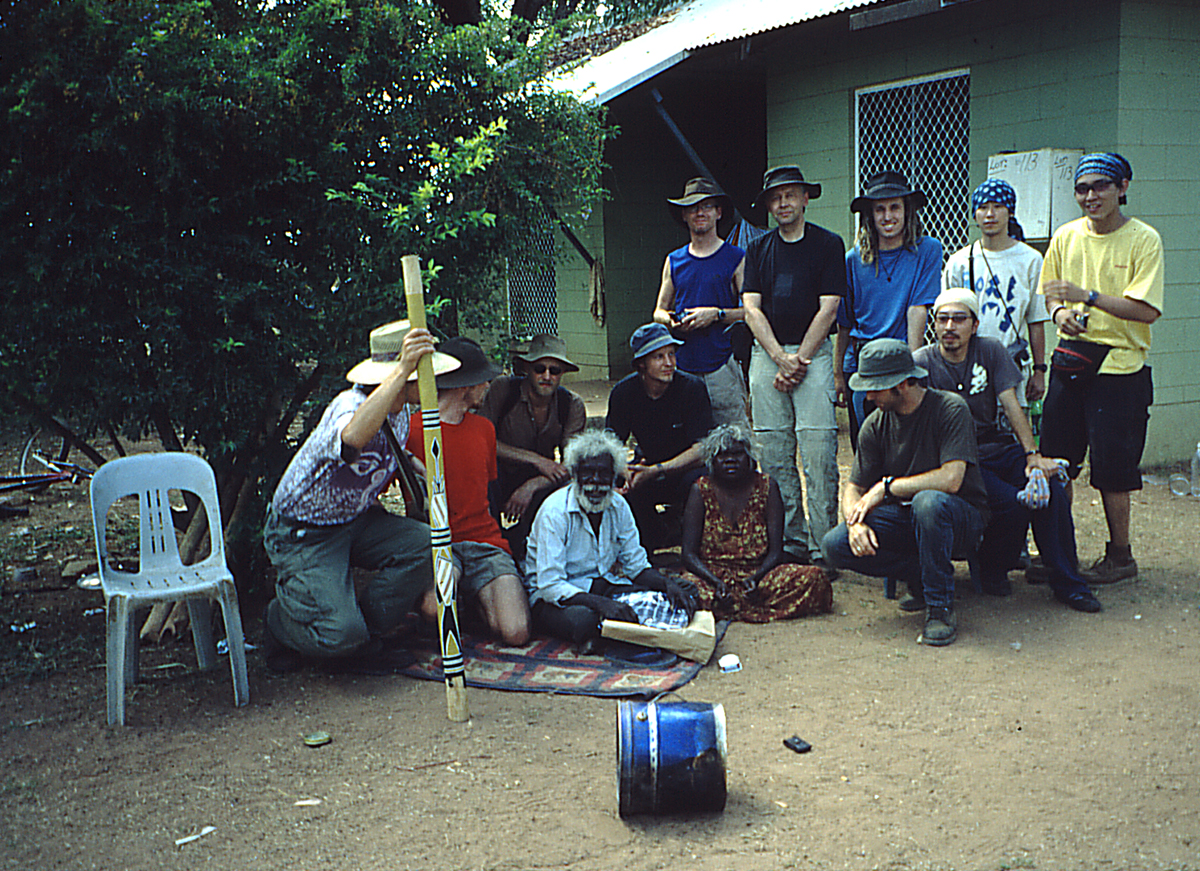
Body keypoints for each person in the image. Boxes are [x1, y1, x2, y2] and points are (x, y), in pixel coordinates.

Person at [261, 320, 460, 673]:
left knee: (427, 545)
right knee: (339, 635)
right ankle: (281, 622)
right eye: (423, 373)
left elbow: (384, 445)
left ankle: (365, 638)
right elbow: (352, 439)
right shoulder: (348, 404)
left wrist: (412, 463)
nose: (433, 381)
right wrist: (402, 369)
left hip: (355, 519)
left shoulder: (401, 410)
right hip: (304, 532)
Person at [913, 289, 1102, 613]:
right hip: (958, 458)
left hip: (997, 446)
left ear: (974, 325)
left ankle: (1069, 583)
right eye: (942, 319)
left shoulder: (990, 350)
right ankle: (993, 568)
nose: (949, 327)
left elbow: (1011, 403)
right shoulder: (922, 362)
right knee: (1013, 501)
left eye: (958, 319)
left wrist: (1032, 455)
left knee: (1050, 488)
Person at [1039, 152, 1163, 585]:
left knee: (1113, 468)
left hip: (1121, 365)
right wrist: (1059, 313)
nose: (1090, 196)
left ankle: (1120, 556)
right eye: (1082, 189)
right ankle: (1058, 553)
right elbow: (1051, 293)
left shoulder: (1144, 239)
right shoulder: (1066, 236)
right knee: (1056, 462)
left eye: (1100, 186)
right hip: (1071, 357)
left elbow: (1147, 311)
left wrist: (1087, 296)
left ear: (1122, 187)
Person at [822, 339, 989, 647]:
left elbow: (952, 479)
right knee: (835, 545)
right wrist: (855, 523)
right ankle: (922, 575)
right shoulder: (875, 424)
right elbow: (854, 487)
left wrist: (887, 487)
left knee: (928, 502)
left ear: (901, 384)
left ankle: (939, 609)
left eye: (875, 388)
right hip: (908, 517)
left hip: (959, 516)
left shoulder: (950, 408)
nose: (868, 396)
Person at [741, 165, 846, 565]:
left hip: (813, 356)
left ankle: (825, 547)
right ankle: (790, 542)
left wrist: (799, 360)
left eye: (790, 195)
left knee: (818, 453)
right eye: (775, 197)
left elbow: (829, 307)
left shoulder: (828, 244)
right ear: (769, 205)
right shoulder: (758, 249)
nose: (783, 203)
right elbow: (751, 308)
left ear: (805, 198)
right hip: (768, 356)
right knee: (774, 453)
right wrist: (779, 358)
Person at [523, 429, 697, 654]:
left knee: (684, 590)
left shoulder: (619, 506)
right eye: (588, 472)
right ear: (575, 474)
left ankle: (610, 633)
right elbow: (550, 586)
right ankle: (607, 631)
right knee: (584, 620)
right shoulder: (555, 512)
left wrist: (667, 584)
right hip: (558, 598)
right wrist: (602, 604)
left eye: (603, 473)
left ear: (614, 476)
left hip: (603, 586)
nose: (596, 481)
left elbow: (636, 567)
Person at [405, 336, 532, 647]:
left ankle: (475, 599)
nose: (487, 386)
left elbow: (485, 491)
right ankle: (457, 597)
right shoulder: (411, 431)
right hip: (436, 543)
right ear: (466, 386)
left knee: (515, 632)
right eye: (483, 380)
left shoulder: (484, 429)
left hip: (484, 541)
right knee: (434, 610)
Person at [679, 424, 833, 622]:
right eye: (722, 455)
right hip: (711, 576)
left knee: (814, 578)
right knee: (685, 587)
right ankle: (746, 606)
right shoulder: (700, 490)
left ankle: (727, 607)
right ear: (712, 461)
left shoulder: (767, 486)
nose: (730, 460)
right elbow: (689, 554)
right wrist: (716, 583)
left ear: (750, 458)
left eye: (737, 454)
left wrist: (756, 578)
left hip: (758, 575)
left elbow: (776, 552)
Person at [835, 171, 943, 448]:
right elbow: (845, 323)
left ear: (907, 211)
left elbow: (917, 309)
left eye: (895, 207)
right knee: (867, 446)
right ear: (870, 215)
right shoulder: (853, 259)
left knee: (907, 445)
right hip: (864, 363)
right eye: (879, 209)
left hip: (902, 360)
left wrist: (912, 366)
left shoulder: (927, 250)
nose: (888, 216)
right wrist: (838, 374)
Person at [476, 334, 587, 560]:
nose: (547, 376)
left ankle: (542, 551)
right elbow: (481, 441)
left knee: (571, 491)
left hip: (541, 479)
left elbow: (572, 463)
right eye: (539, 369)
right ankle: (491, 550)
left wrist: (532, 485)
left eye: (554, 370)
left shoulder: (571, 404)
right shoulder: (503, 390)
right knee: (480, 479)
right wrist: (535, 459)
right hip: (499, 473)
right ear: (527, 369)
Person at [605, 323, 715, 550]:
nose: (669, 363)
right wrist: (625, 471)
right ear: (641, 364)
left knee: (703, 482)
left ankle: (693, 542)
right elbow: (611, 443)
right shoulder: (624, 392)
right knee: (616, 485)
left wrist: (659, 470)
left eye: (671, 354)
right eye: (659, 357)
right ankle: (650, 541)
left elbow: (703, 448)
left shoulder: (692, 388)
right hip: (647, 465)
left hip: (686, 467)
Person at [942, 178, 1049, 409]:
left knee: (1012, 422)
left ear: (1010, 212)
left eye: (998, 206)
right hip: (967, 363)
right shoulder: (960, 262)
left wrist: (1039, 370)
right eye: (983, 207)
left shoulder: (1030, 260)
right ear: (974, 214)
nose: (990, 214)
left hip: (1011, 364)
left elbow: (1036, 320)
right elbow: (947, 319)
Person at [653, 177, 750, 427]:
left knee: (732, 437)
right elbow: (658, 312)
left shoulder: (736, 257)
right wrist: (672, 321)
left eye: (706, 206)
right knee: (683, 436)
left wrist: (716, 314)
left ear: (719, 212)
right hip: (682, 366)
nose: (700, 213)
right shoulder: (674, 260)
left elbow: (751, 312)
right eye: (693, 208)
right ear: (684, 215)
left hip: (722, 364)